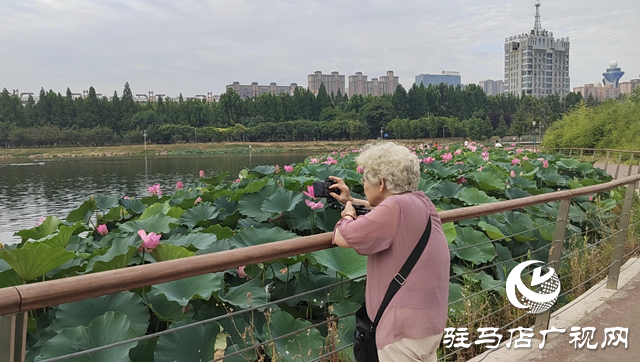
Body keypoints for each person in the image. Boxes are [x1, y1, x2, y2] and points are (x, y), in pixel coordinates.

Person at [328, 142, 449, 362]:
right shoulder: (422, 202)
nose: (363, 184)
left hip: (402, 331)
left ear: (381, 183)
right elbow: (384, 211)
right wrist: (350, 200)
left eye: (365, 180)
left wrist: (346, 215)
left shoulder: (395, 208)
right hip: (430, 324)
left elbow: (342, 237)